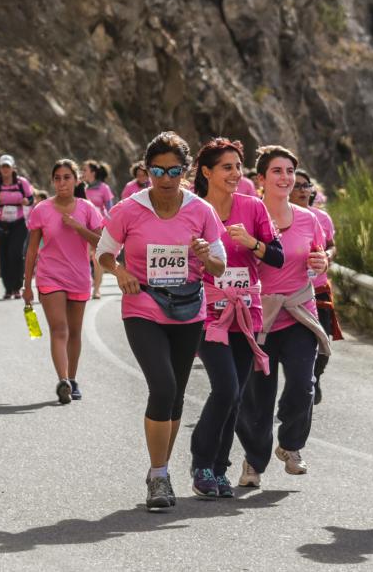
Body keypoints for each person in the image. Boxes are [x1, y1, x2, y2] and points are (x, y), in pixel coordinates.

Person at [98, 132, 226, 512]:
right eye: (157, 170)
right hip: (143, 307)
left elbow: (219, 266)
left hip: (188, 309)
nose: (165, 178)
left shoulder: (201, 211)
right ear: (146, 170)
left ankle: (162, 470)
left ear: (186, 172)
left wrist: (204, 255)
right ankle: (158, 475)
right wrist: (119, 270)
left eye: (173, 171)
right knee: (163, 385)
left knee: (175, 395)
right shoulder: (128, 209)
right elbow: (104, 252)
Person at [189, 138, 281, 498]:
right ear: (207, 172)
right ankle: (201, 462)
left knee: (236, 395)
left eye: (237, 167)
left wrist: (252, 244)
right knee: (225, 388)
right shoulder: (192, 209)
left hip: (247, 310)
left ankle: (219, 469)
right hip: (206, 312)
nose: (234, 174)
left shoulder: (253, 208)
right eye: (226, 167)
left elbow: (276, 255)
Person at [237, 145, 331, 488]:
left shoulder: (310, 219)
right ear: (260, 179)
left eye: (290, 171)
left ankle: (290, 446)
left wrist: (321, 264)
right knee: (257, 397)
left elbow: (318, 261)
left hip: (298, 313)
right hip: (257, 317)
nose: (286, 178)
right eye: (277, 171)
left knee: (303, 386)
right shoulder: (247, 217)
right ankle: (253, 461)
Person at [23, 160, 105, 403]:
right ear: (52, 181)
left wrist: (78, 227)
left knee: (75, 332)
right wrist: (27, 285)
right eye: (57, 178)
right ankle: (63, 381)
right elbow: (31, 251)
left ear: (77, 180)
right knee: (59, 330)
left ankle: (73, 377)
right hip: (50, 276)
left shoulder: (88, 209)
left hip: (79, 276)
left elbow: (101, 243)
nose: (61, 183)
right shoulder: (42, 210)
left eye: (67, 177)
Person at [292, 168, 341, 404]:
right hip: (286, 293)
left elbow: (332, 245)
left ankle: (315, 377)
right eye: (297, 185)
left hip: (318, 290)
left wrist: (328, 257)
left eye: (306, 185)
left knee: (323, 342)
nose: (302, 190)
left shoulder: (321, 218)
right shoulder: (273, 215)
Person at [0, 155, 35, 300]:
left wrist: (26, 201)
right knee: (3, 256)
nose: (6, 170)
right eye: (3, 167)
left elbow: (31, 198)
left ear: (13, 167)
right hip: (0, 224)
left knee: (16, 254)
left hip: (18, 224)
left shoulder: (22, 183)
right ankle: (8, 289)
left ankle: (17, 287)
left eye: (8, 166)